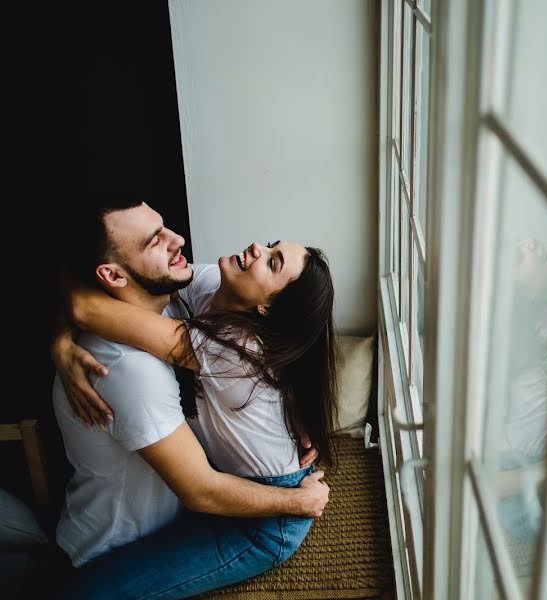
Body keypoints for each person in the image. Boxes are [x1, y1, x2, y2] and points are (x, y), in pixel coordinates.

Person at [50, 195, 335, 599]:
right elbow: (80, 288)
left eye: (272, 262)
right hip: (234, 481)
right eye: (272, 246)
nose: (258, 248)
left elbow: (86, 306)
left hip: (267, 521)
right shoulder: (209, 287)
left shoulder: (234, 347)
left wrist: (299, 503)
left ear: (267, 307)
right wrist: (62, 338)